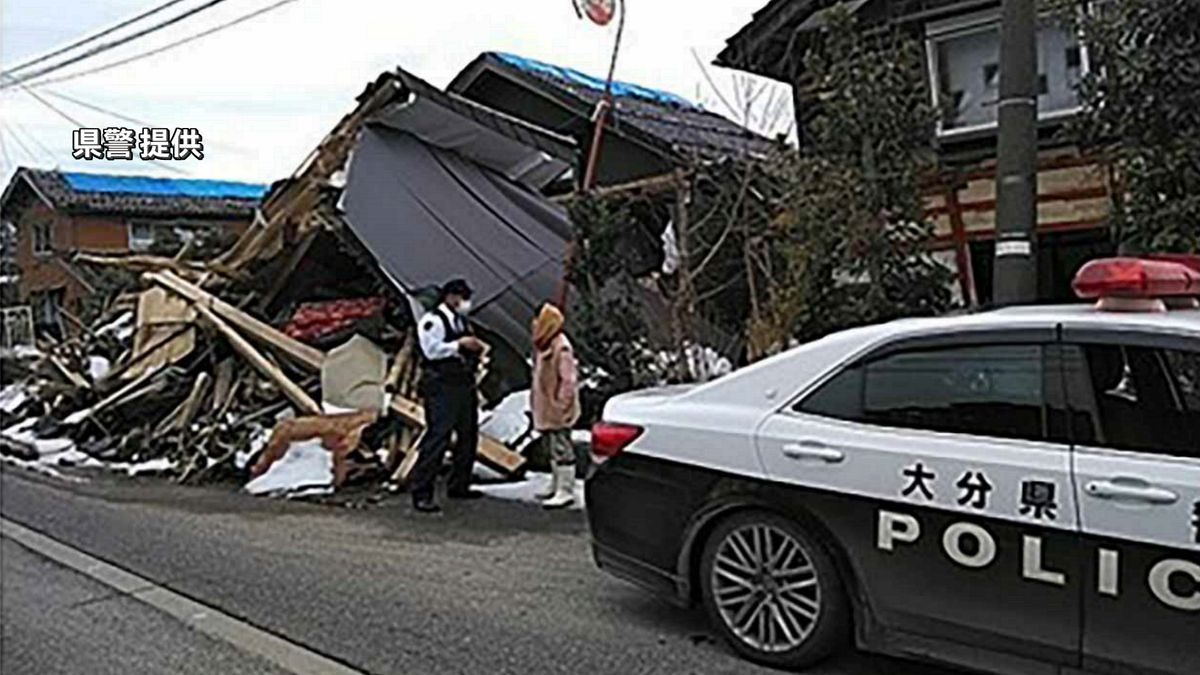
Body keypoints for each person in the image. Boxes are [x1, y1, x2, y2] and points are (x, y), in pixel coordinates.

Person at [409, 278, 486, 513]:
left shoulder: (461, 320)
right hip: (441, 386)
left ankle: (459, 484)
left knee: (468, 434)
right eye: (462, 298)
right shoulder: (433, 321)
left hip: (463, 384)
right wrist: (458, 345)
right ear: (450, 297)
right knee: (438, 437)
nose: (465, 303)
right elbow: (430, 350)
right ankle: (422, 492)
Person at [530, 303, 580, 509]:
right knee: (552, 445)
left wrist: (562, 403)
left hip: (557, 406)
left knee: (562, 446)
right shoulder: (546, 344)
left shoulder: (561, 346)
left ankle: (565, 489)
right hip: (547, 405)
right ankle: (556, 482)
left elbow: (568, 380)